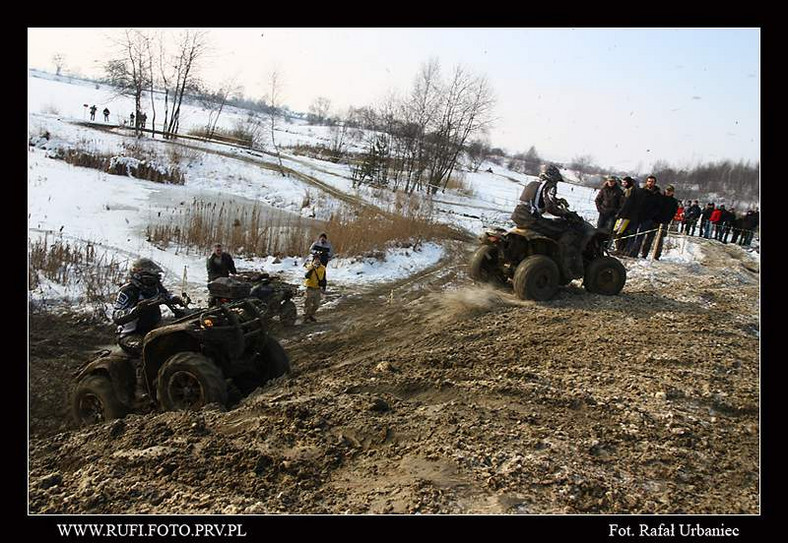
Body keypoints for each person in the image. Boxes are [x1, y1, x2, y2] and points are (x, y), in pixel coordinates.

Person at [510, 164, 585, 278]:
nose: (556, 183)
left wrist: (557, 201)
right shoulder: (549, 185)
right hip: (531, 219)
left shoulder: (533, 183)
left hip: (518, 215)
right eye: (556, 180)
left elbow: (540, 201)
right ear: (552, 176)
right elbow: (550, 207)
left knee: (549, 225)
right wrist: (566, 214)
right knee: (565, 231)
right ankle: (564, 266)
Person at [112, 258, 184, 357]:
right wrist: (136, 310)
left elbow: (165, 294)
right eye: (149, 279)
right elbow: (116, 316)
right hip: (130, 334)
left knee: (177, 336)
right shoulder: (128, 291)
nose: (153, 282)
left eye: (155, 279)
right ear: (139, 277)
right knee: (150, 350)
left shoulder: (155, 287)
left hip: (154, 327)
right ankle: (141, 371)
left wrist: (175, 298)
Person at [629, 175, 662, 258]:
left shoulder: (657, 194)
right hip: (637, 216)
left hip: (647, 218)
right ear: (646, 182)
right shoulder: (641, 191)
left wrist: (651, 216)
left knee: (640, 237)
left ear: (654, 183)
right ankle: (628, 251)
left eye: (652, 182)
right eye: (649, 181)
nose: (650, 183)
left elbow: (658, 208)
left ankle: (634, 253)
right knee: (632, 234)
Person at [612, 176, 642, 254]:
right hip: (622, 215)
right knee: (616, 232)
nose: (623, 184)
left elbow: (627, 205)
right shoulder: (626, 190)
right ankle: (618, 248)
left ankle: (620, 249)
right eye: (623, 182)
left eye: (625, 182)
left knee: (619, 233)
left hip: (625, 216)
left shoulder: (631, 191)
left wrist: (620, 214)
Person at [652, 185, 680, 260]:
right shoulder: (660, 198)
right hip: (655, 220)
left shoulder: (674, 202)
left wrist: (668, 220)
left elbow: (673, 212)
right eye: (667, 190)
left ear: (672, 192)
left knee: (660, 239)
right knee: (650, 237)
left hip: (664, 222)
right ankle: (645, 253)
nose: (668, 192)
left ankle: (657, 255)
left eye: (670, 191)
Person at [303, 253, 326, 322]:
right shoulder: (310, 267)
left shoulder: (323, 268)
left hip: (317, 288)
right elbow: (306, 276)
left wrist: (324, 287)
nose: (317, 261)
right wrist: (311, 269)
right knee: (308, 304)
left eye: (318, 259)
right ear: (313, 260)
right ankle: (306, 317)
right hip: (309, 288)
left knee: (316, 304)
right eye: (315, 259)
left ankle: (311, 315)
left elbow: (324, 278)